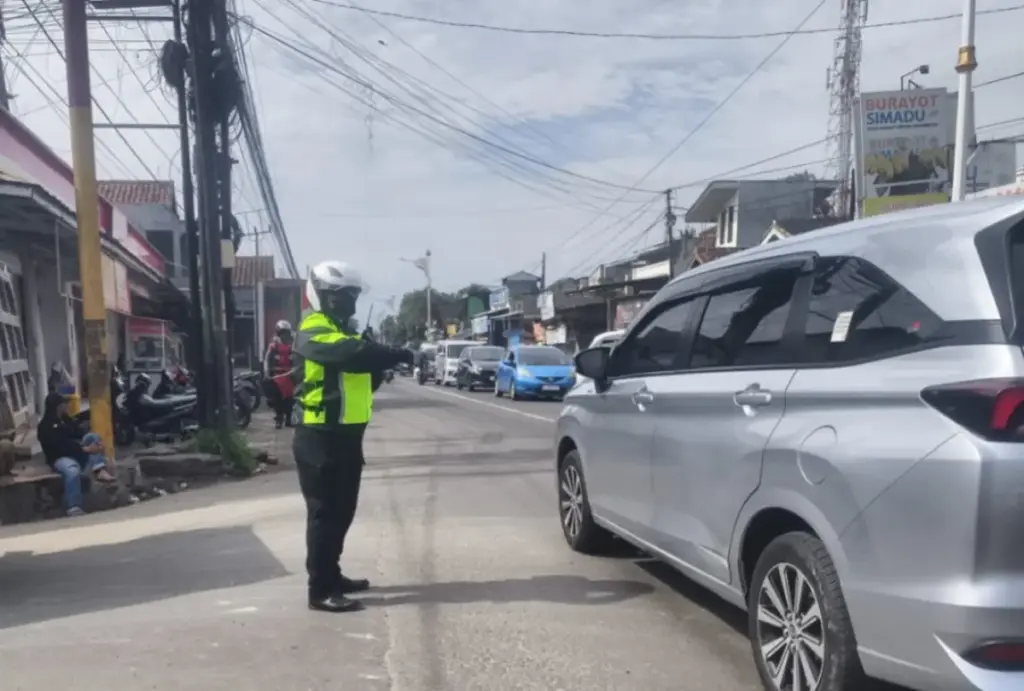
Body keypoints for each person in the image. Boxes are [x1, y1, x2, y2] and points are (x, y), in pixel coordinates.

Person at [294, 260, 414, 613]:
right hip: (319, 436)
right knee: (324, 514)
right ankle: (319, 589)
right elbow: (353, 355)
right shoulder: (313, 329)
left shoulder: (345, 331)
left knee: (343, 511)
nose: (347, 303)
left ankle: (333, 574)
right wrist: (395, 353)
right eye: (340, 297)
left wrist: (379, 364)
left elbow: (364, 372)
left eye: (352, 296)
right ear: (321, 296)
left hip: (346, 437)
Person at [37, 393, 116, 517]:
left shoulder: (65, 419)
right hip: (60, 458)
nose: (67, 405)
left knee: (92, 437)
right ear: (58, 406)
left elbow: (77, 432)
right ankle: (74, 506)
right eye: (64, 403)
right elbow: (59, 447)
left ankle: (99, 469)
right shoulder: (45, 426)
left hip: (77, 452)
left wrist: (96, 444)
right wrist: (84, 449)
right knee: (72, 471)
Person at [264, 320, 297, 429]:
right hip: (277, 376)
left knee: (290, 399)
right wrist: (267, 372)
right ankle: (279, 419)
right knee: (277, 399)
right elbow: (267, 359)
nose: (284, 335)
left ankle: (288, 419)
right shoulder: (274, 345)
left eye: (286, 332)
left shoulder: (293, 344)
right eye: (282, 333)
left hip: (290, 375)